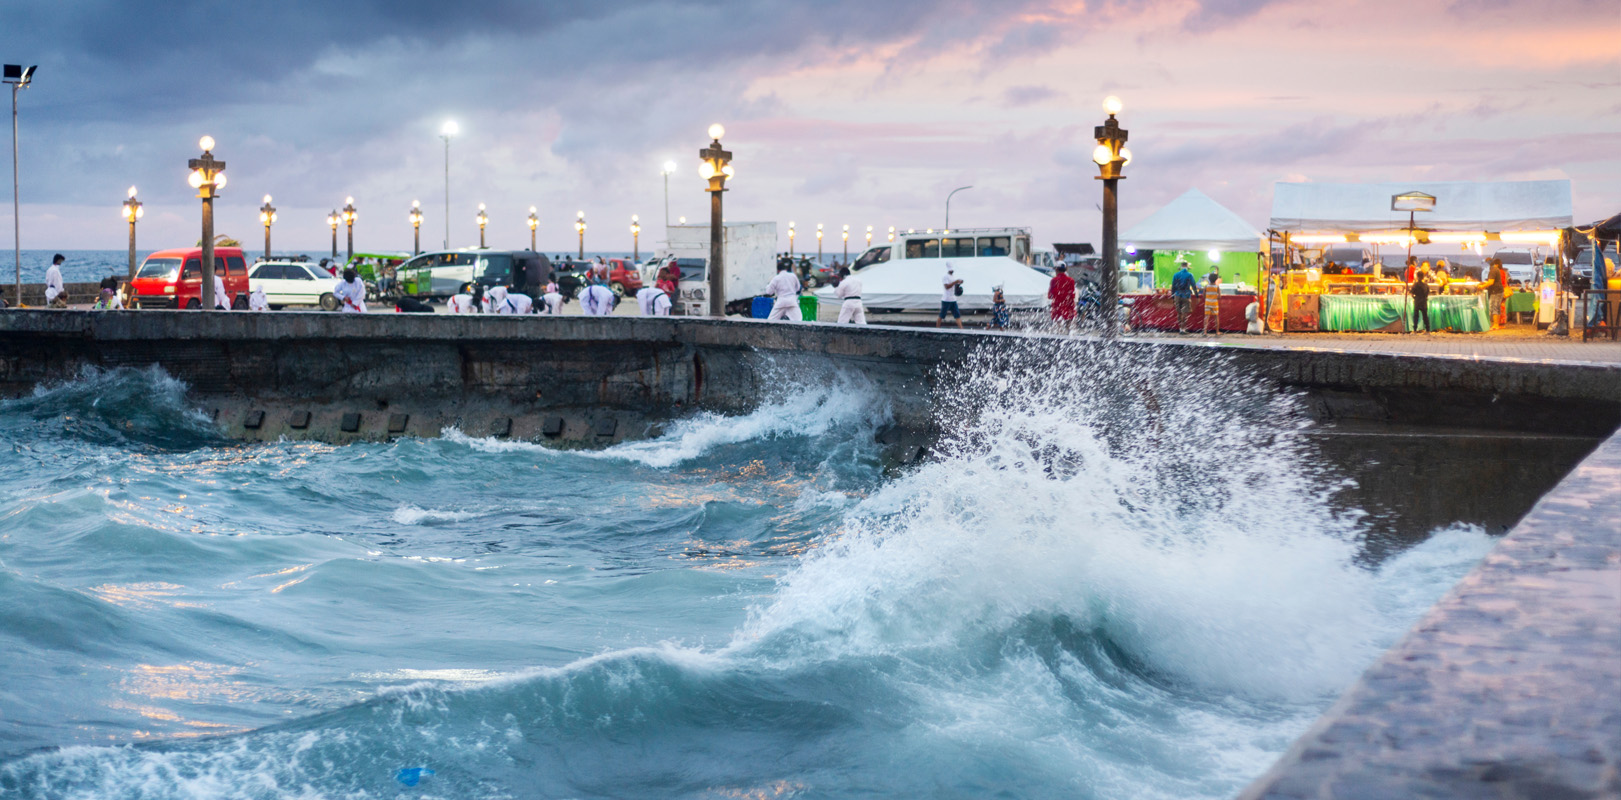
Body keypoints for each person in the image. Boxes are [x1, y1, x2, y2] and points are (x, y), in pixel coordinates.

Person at [1170, 260, 1197, 333]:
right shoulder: (1189, 275)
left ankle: (1180, 329)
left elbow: (1173, 286)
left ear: (1181, 266)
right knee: (1184, 313)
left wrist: (1172, 296)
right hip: (1186, 295)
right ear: (1187, 267)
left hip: (1177, 295)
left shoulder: (1176, 275)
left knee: (1179, 313)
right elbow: (1193, 285)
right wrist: (1196, 294)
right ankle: (1184, 328)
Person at [1047, 264, 1075, 330]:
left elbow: (1050, 296)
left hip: (1057, 305)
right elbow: (1072, 294)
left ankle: (1058, 335)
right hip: (1068, 305)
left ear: (1057, 270)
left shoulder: (1054, 280)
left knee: (1058, 326)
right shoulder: (1071, 280)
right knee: (1068, 324)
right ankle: (1068, 335)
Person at [1410, 265, 1431, 333]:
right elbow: (1428, 293)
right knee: (1425, 316)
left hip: (1417, 301)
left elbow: (1412, 292)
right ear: (1423, 276)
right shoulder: (1426, 285)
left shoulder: (1415, 284)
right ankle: (1428, 329)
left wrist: (1414, 297)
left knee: (1416, 316)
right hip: (1424, 301)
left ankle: (1415, 329)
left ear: (1417, 276)